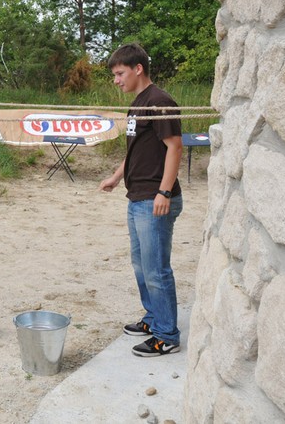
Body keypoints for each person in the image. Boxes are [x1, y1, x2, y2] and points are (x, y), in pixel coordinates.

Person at [98, 43, 184, 358]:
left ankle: (166, 335)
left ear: (137, 68)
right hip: (138, 198)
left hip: (155, 199)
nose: (116, 80)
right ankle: (153, 318)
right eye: (114, 75)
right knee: (141, 265)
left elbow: (175, 147)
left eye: (119, 73)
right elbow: (136, 150)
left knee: (156, 269)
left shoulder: (160, 101)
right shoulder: (137, 104)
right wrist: (117, 176)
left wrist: (164, 190)